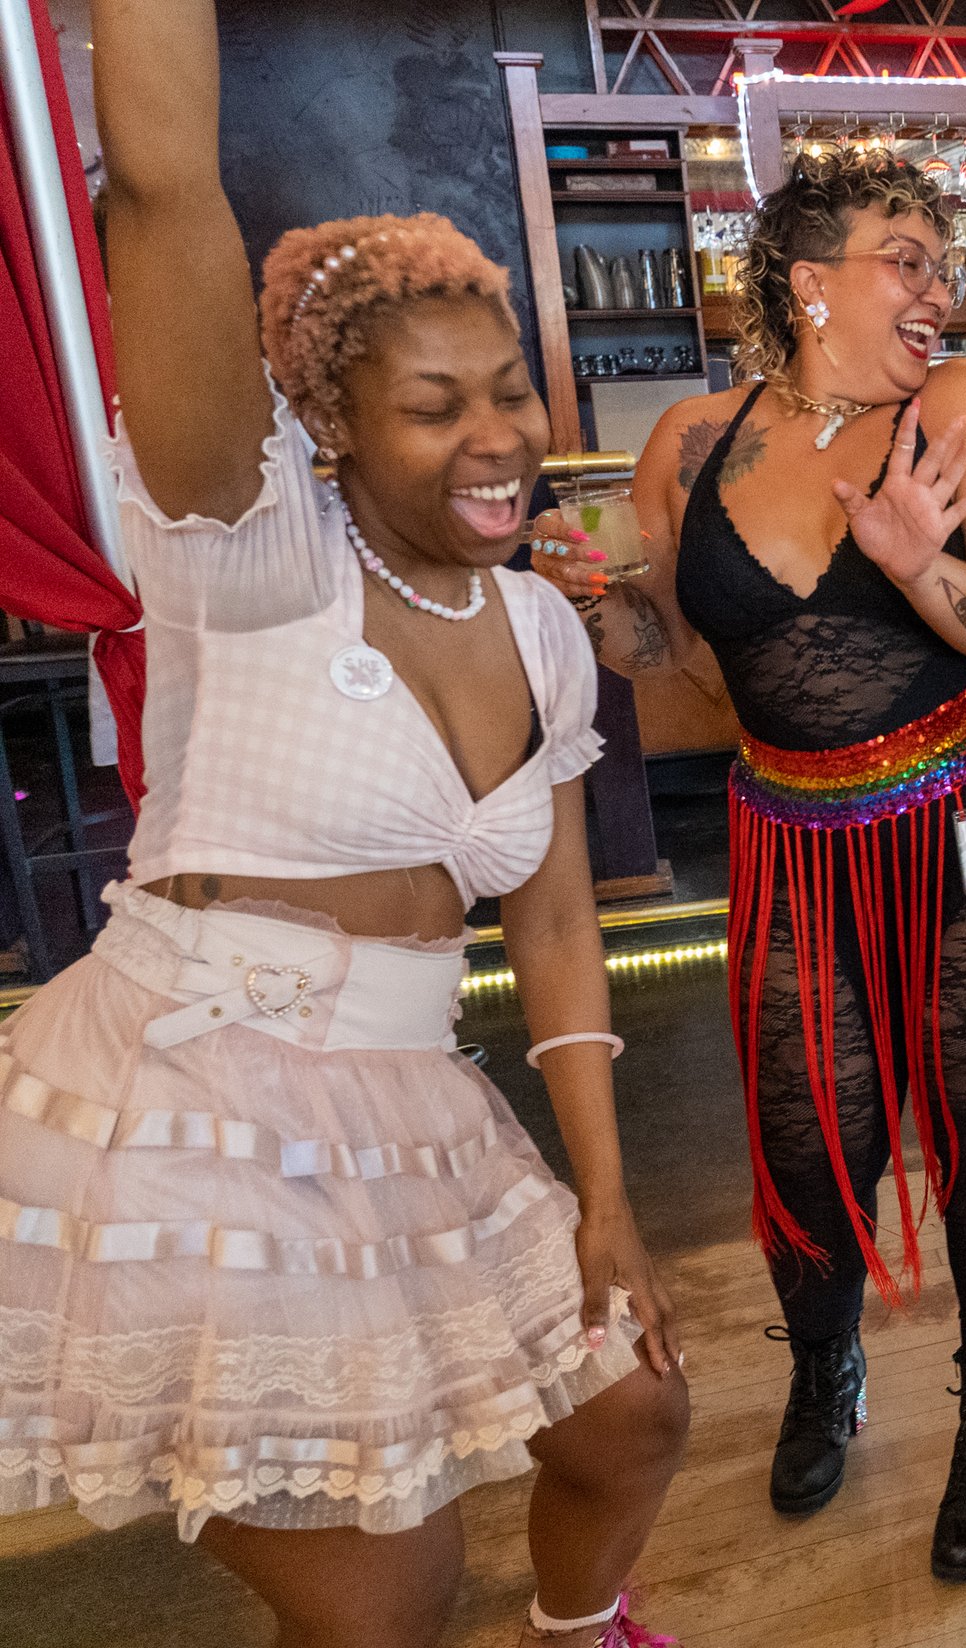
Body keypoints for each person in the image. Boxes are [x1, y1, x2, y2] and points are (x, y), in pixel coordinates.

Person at [0, 3, 692, 1644]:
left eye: (510, 390)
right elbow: (164, 189)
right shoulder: (248, 551)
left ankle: (586, 1629)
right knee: (388, 1597)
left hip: (416, 1099)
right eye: (434, 405)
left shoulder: (537, 632)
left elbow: (556, 926)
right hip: (198, 1096)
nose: (500, 437)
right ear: (329, 430)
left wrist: (607, 1197)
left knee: (631, 1416)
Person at [531, 148, 966, 1583]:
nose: (941, 288)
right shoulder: (690, 442)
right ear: (806, 279)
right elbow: (693, 674)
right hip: (797, 836)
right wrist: (606, 613)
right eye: (907, 258)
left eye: (947, 261)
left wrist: (919, 564)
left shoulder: (962, 408)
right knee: (810, 1132)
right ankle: (825, 1369)